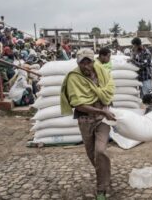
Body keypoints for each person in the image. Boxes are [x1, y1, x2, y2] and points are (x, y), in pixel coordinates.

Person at [60, 49, 115, 200]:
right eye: (82, 62)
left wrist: (105, 107)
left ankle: (101, 189)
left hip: (102, 120)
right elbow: (78, 105)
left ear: (93, 62)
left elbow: (109, 90)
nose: (86, 66)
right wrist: (104, 111)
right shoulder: (73, 78)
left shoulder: (101, 72)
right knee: (92, 156)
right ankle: (105, 176)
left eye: (88, 62)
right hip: (85, 121)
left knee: (100, 151)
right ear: (78, 63)